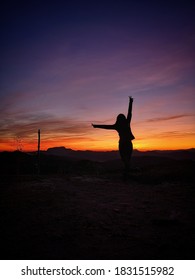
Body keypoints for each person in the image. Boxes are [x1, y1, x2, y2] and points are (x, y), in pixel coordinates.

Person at [92, 96, 135, 178]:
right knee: (127, 159)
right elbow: (129, 113)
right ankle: (127, 173)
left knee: (124, 159)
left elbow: (106, 127)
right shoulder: (126, 123)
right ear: (124, 118)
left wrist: (96, 126)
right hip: (128, 143)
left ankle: (126, 173)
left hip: (122, 144)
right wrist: (131, 102)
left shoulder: (117, 126)